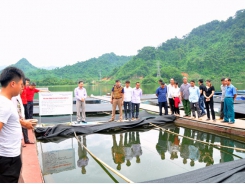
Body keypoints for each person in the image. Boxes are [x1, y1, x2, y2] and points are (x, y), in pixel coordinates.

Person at [0, 67, 33, 183]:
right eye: (20, 84)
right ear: (13, 84)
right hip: (8, 158)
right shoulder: (5, 104)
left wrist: (22, 123)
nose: (22, 87)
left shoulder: (5, 102)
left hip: (8, 156)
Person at [20, 79, 32, 145]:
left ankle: (26, 140)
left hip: (24, 105)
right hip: (20, 106)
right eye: (27, 82)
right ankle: (21, 141)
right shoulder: (19, 90)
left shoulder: (25, 88)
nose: (27, 83)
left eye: (28, 82)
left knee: (25, 121)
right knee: (21, 123)